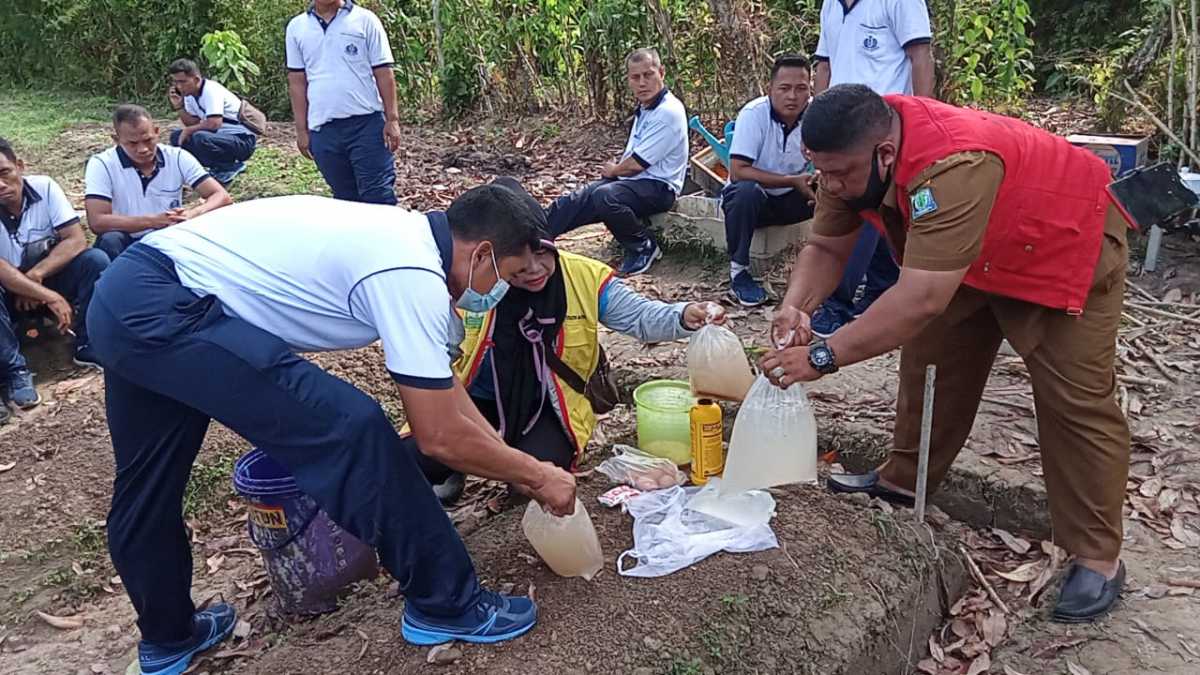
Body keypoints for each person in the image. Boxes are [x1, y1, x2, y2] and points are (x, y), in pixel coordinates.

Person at [88, 186, 577, 674]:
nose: (501, 290)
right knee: (354, 430)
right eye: (508, 276)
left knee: (146, 484)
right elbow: (439, 434)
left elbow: (446, 389)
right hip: (169, 307)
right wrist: (537, 475)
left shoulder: (401, 236)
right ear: (483, 252)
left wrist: (511, 458)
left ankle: (169, 637)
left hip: (123, 293)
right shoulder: (410, 273)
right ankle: (446, 602)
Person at [764, 85, 1131, 623]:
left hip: (1058, 244)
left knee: (1073, 401)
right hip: (968, 258)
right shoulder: (851, 152)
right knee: (930, 358)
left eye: (840, 175)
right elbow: (824, 247)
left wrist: (823, 357)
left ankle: (1098, 556)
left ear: (885, 155)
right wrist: (797, 307)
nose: (832, 187)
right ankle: (902, 481)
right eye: (823, 173)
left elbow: (921, 297)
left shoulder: (953, 164)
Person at [419, 178, 726, 502]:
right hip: (474, 397)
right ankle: (451, 472)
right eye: (519, 265)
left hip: (548, 403)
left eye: (543, 254)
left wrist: (685, 315)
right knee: (418, 455)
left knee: (534, 482)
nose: (534, 270)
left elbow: (640, 317)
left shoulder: (581, 276)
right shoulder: (466, 282)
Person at [809, 0, 936, 335]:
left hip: (881, 127)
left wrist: (925, 120)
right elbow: (824, 66)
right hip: (839, 129)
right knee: (877, 209)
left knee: (858, 205)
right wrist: (817, 125)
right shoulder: (830, 6)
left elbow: (919, 56)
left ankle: (837, 302)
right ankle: (882, 287)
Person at [546, 47, 688, 277]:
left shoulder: (668, 111)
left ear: (661, 72)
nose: (642, 82)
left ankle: (643, 246)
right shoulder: (646, 108)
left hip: (659, 187)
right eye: (635, 77)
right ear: (629, 80)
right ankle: (535, 235)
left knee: (605, 196)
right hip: (635, 183)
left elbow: (636, 165)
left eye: (648, 74)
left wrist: (614, 170)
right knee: (577, 199)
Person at [0, 137, 109, 420]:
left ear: (19, 166)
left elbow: (75, 240)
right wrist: (48, 295)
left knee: (94, 261)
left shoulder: (45, 187)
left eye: (4, 173)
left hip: (41, 277)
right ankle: (15, 371)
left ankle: (88, 343)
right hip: (7, 291)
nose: (0, 184)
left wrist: (36, 278)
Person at [721, 55, 817, 307]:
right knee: (745, 191)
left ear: (811, 89)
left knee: (836, 189)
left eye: (801, 89)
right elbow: (738, 171)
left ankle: (833, 270)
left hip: (793, 197)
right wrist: (791, 180)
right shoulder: (754, 114)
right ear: (770, 89)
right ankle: (739, 270)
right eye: (784, 89)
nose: (793, 97)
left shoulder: (818, 114)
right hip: (757, 201)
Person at [286, 0, 401, 205]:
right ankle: (356, 238)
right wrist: (301, 130)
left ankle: (385, 236)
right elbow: (297, 82)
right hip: (323, 128)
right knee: (344, 200)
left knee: (378, 195)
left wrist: (392, 119)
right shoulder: (297, 27)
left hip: (366, 124)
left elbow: (383, 72)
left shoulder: (365, 20)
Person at [84, 105, 232, 261]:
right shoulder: (102, 164)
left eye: (148, 140)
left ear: (156, 132)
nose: (143, 149)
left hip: (167, 237)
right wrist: (153, 221)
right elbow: (97, 221)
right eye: (132, 144)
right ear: (116, 140)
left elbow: (222, 196)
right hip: (125, 240)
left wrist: (192, 214)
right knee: (110, 239)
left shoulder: (177, 157)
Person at [166, 58, 258, 185]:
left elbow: (214, 124)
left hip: (242, 140)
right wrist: (179, 107)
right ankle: (216, 166)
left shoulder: (211, 90)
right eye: (176, 82)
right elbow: (193, 123)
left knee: (199, 137)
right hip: (221, 138)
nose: (179, 87)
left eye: (182, 82)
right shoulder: (189, 95)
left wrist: (189, 130)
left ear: (196, 79)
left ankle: (229, 166)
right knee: (176, 137)